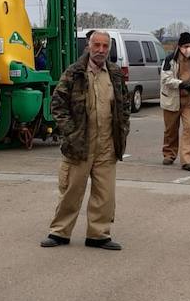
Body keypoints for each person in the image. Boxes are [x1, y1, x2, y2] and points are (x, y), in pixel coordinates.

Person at [41, 29, 130, 250]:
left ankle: (98, 235)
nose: (100, 50)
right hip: (79, 144)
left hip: (107, 145)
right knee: (71, 191)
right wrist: (71, 133)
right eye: (96, 45)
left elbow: (124, 105)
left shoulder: (115, 74)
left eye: (105, 46)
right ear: (88, 46)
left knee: (105, 194)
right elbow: (57, 106)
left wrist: (123, 129)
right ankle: (59, 232)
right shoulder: (74, 73)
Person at [159, 31, 190, 170]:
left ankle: (187, 159)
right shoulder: (170, 60)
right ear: (180, 46)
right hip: (172, 100)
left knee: (188, 128)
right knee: (171, 130)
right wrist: (181, 84)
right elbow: (166, 79)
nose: (189, 49)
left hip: (189, 100)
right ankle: (169, 154)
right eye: (186, 46)